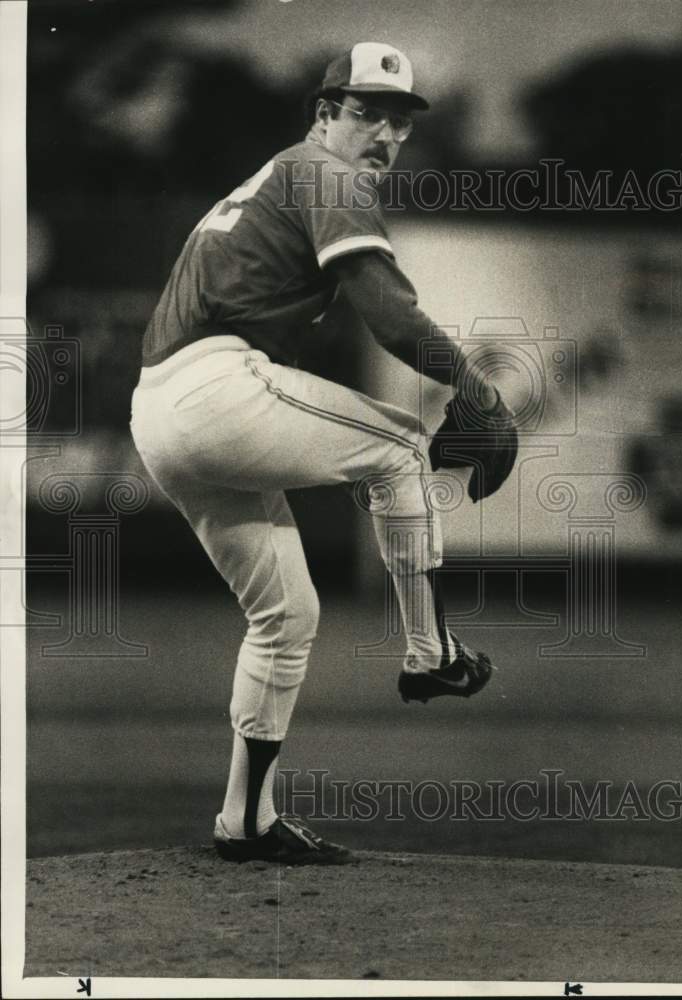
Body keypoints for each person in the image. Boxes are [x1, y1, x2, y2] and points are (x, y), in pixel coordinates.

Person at [130, 42, 506, 866]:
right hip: (213, 389)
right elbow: (393, 318)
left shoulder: (279, 176)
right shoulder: (328, 175)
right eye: (365, 111)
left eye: (399, 120)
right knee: (403, 445)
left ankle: (248, 819)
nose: (385, 133)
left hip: (161, 412)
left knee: (287, 617)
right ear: (324, 114)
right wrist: (480, 392)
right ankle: (430, 653)